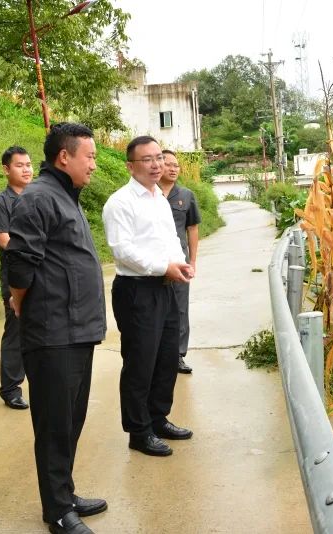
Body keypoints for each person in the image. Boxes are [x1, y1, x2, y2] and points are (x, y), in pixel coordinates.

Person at [6, 123, 107, 534]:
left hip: (77, 330)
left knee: (71, 420)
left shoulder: (66, 196)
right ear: (64, 157)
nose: (95, 165)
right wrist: (18, 300)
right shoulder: (38, 198)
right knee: (53, 425)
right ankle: (58, 512)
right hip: (52, 333)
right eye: (90, 156)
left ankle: (65, 493)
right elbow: (19, 263)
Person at [102, 135, 194, 458]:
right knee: (140, 362)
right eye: (148, 160)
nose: (157, 165)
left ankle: (158, 418)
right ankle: (138, 432)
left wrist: (180, 265)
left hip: (166, 285)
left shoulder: (159, 198)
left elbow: (169, 238)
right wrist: (162, 267)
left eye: (159, 157)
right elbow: (123, 251)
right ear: (130, 165)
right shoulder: (120, 202)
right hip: (137, 290)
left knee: (167, 357)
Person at [0, 146, 33, 410]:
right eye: (20, 165)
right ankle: (10, 388)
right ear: (6, 169)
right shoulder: (0, 203)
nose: (26, 169)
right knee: (16, 330)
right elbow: (5, 241)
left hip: (43, 273)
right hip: (16, 275)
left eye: (28, 164)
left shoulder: (39, 198)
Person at [159, 149, 201, 375]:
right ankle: (158, 353)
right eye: (168, 164)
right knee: (157, 307)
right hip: (154, 262)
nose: (173, 168)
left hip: (179, 262)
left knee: (180, 308)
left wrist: (192, 261)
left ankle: (177, 355)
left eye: (176, 165)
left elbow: (192, 228)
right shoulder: (149, 193)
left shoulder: (186, 195)